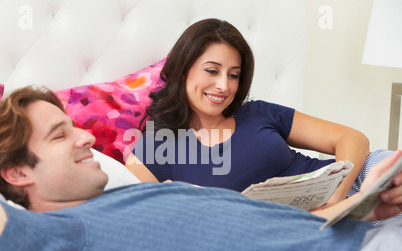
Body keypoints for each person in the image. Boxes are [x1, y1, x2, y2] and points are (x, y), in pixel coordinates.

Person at [0, 86, 402, 251]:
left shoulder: (122, 198)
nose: (86, 138)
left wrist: (368, 207)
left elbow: (275, 232)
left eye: (75, 127)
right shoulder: (59, 229)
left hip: (365, 239)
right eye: (58, 136)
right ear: (15, 173)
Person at [125, 19, 393, 209]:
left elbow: (351, 137)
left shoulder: (257, 113)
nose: (223, 85)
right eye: (212, 70)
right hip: (307, 229)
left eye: (234, 75)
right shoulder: (154, 149)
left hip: (361, 181)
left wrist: (338, 196)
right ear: (183, 70)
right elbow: (133, 214)